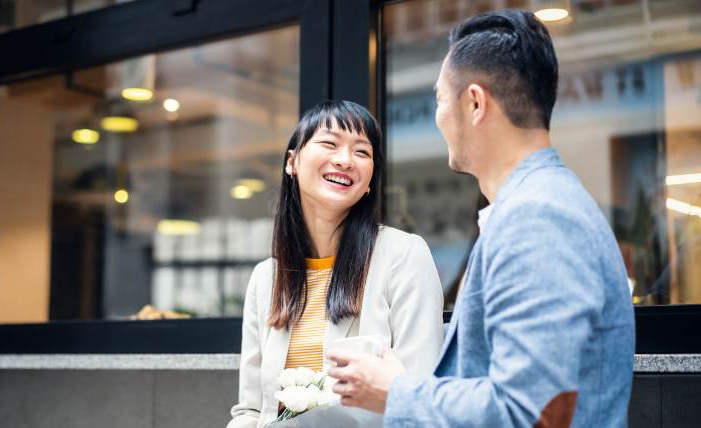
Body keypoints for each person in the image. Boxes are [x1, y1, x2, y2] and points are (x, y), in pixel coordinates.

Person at [327, 9, 635, 427]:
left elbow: (525, 413)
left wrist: (395, 391)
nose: (438, 117)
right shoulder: (535, 206)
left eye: (439, 99)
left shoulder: (538, 218)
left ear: (474, 103)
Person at [227, 100, 444, 428]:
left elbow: (418, 392)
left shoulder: (403, 255)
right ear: (292, 162)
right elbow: (252, 411)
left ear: (370, 179)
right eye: (329, 143)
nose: (344, 160)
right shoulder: (265, 279)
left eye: (362, 152)